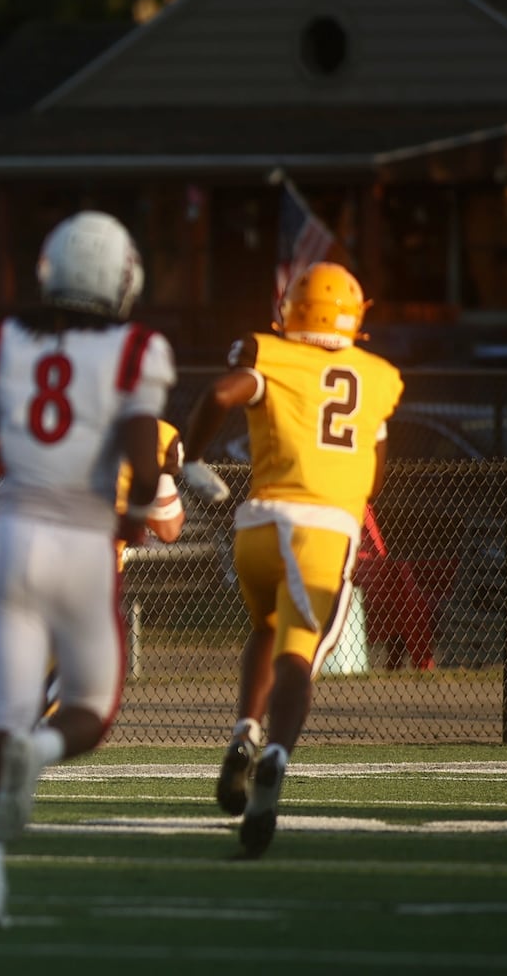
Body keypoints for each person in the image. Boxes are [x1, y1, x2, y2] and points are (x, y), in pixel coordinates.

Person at [0, 211, 174, 927]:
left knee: (2, 719)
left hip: (13, 535)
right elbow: (139, 448)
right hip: (84, 540)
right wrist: (138, 515)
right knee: (90, 715)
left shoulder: (4, 341)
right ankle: (41, 752)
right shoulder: (137, 349)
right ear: (122, 279)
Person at [176, 261, 402, 858]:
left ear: (292, 309)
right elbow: (375, 472)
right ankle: (274, 758)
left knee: (265, 628)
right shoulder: (378, 376)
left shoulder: (269, 354)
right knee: (299, 658)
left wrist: (192, 460)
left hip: (258, 525)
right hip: (323, 530)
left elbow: (222, 392)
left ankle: (244, 734)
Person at [0, 418, 187, 830]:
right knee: (84, 699)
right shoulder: (150, 427)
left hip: (13, 554)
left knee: (25, 693)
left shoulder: (37, 402)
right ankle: (7, 761)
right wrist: (163, 478)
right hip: (86, 565)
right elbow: (168, 528)